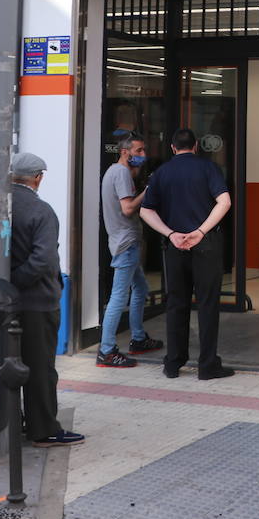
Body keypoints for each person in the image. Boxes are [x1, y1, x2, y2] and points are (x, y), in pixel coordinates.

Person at [139, 128, 233, 380]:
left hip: (175, 247)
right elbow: (225, 202)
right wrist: (201, 231)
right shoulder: (208, 168)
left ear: (172, 148)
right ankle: (207, 365)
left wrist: (170, 234)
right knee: (207, 305)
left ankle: (173, 363)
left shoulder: (161, 173)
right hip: (206, 246)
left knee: (176, 304)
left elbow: (145, 211)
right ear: (195, 146)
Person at [9, 152, 84, 447]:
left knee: (11, 365)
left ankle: (17, 420)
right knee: (40, 369)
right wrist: (19, 283)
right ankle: (43, 430)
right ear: (38, 177)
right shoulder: (41, 211)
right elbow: (44, 259)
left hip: (5, 303)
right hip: (37, 302)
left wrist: (8, 286)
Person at [96, 135, 163, 368]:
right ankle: (106, 350)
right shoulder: (121, 173)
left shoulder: (114, 172)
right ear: (125, 152)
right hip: (126, 244)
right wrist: (149, 189)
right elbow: (127, 208)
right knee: (118, 296)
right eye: (139, 150)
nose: (143, 155)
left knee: (141, 288)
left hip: (124, 241)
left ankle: (138, 338)